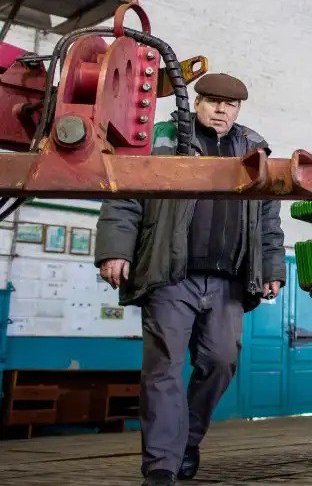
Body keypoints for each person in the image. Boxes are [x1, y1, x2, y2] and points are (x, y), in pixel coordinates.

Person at [94, 73, 285, 486]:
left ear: (238, 110)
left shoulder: (254, 148)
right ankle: (162, 464)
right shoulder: (159, 137)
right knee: (163, 367)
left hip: (228, 280)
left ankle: (186, 441)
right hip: (169, 273)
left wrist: (272, 267)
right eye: (214, 101)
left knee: (221, 361)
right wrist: (115, 248)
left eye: (230, 105)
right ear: (195, 101)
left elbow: (268, 217)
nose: (222, 110)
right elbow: (125, 192)